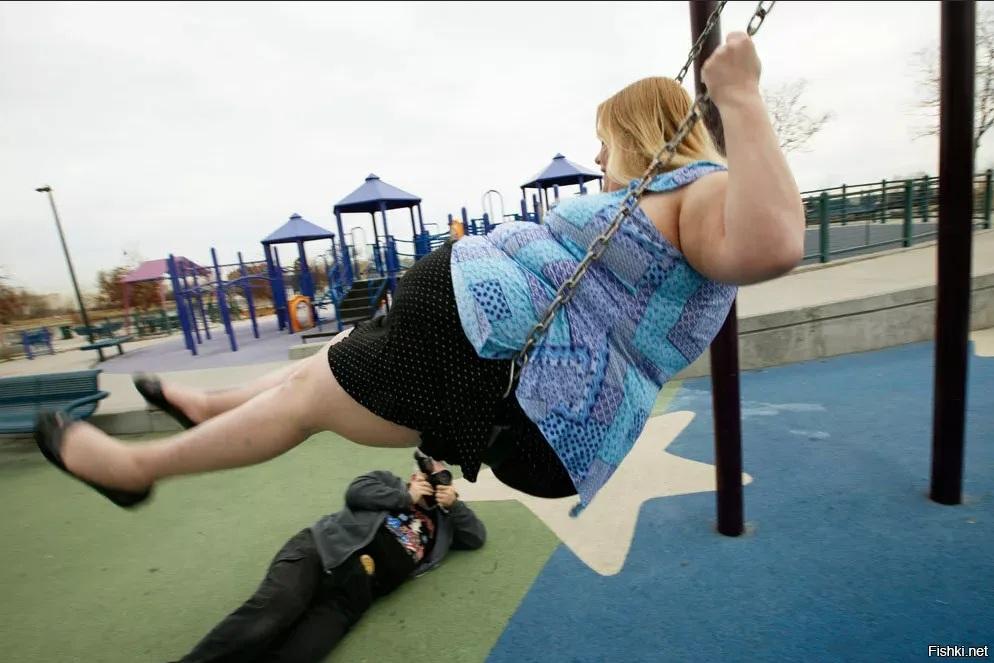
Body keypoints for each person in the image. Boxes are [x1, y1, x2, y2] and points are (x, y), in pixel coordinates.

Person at [33, 32, 805, 510]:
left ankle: (137, 467)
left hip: (520, 397)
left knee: (308, 394)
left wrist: (740, 96)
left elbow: (773, 244)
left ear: (639, 134)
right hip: (479, 355)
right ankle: (211, 406)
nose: (598, 155)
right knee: (333, 351)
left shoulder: (700, 191)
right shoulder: (656, 198)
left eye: (605, 139)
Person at [174, 461, 485, 663]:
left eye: (441, 479)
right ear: (416, 475)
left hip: (350, 598)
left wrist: (454, 506)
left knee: (301, 653)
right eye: (428, 474)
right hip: (320, 553)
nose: (433, 482)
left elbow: (476, 537)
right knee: (273, 614)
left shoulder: (442, 527)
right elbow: (356, 492)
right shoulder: (388, 483)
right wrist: (406, 496)